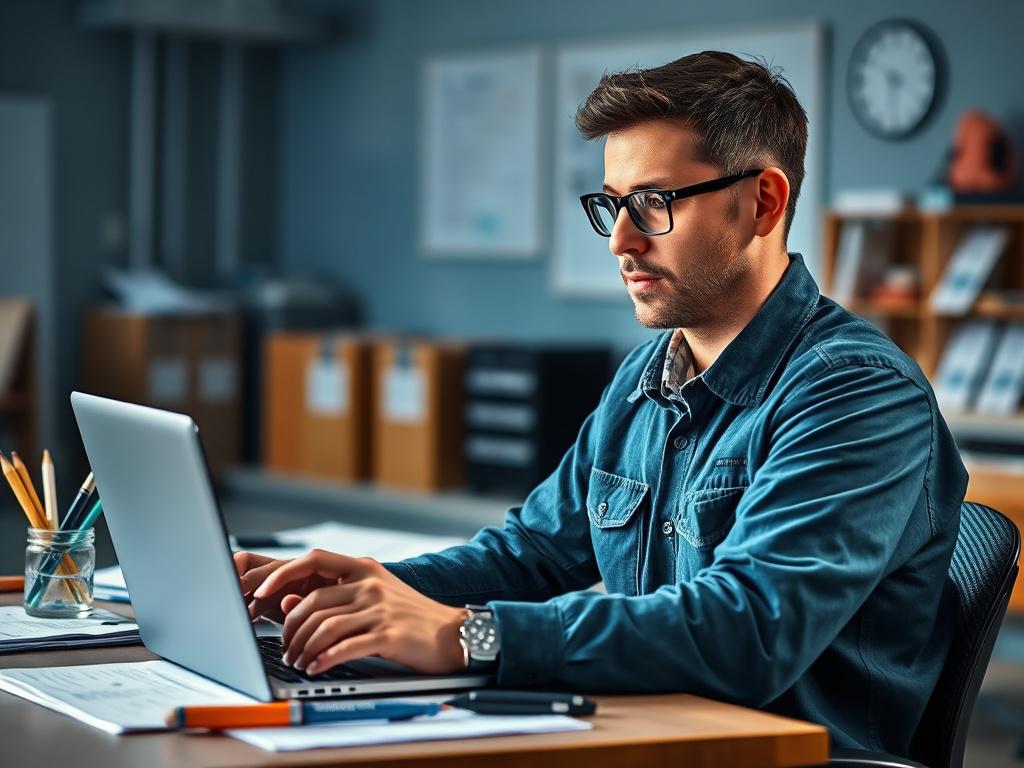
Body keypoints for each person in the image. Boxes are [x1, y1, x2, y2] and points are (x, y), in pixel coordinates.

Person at [236, 51, 967, 755]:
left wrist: (466, 635)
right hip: (639, 731)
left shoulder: (856, 392)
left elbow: (748, 632)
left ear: (762, 203)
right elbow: (532, 554)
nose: (620, 240)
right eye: (613, 205)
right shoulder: (647, 376)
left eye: (652, 204)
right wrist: (359, 589)